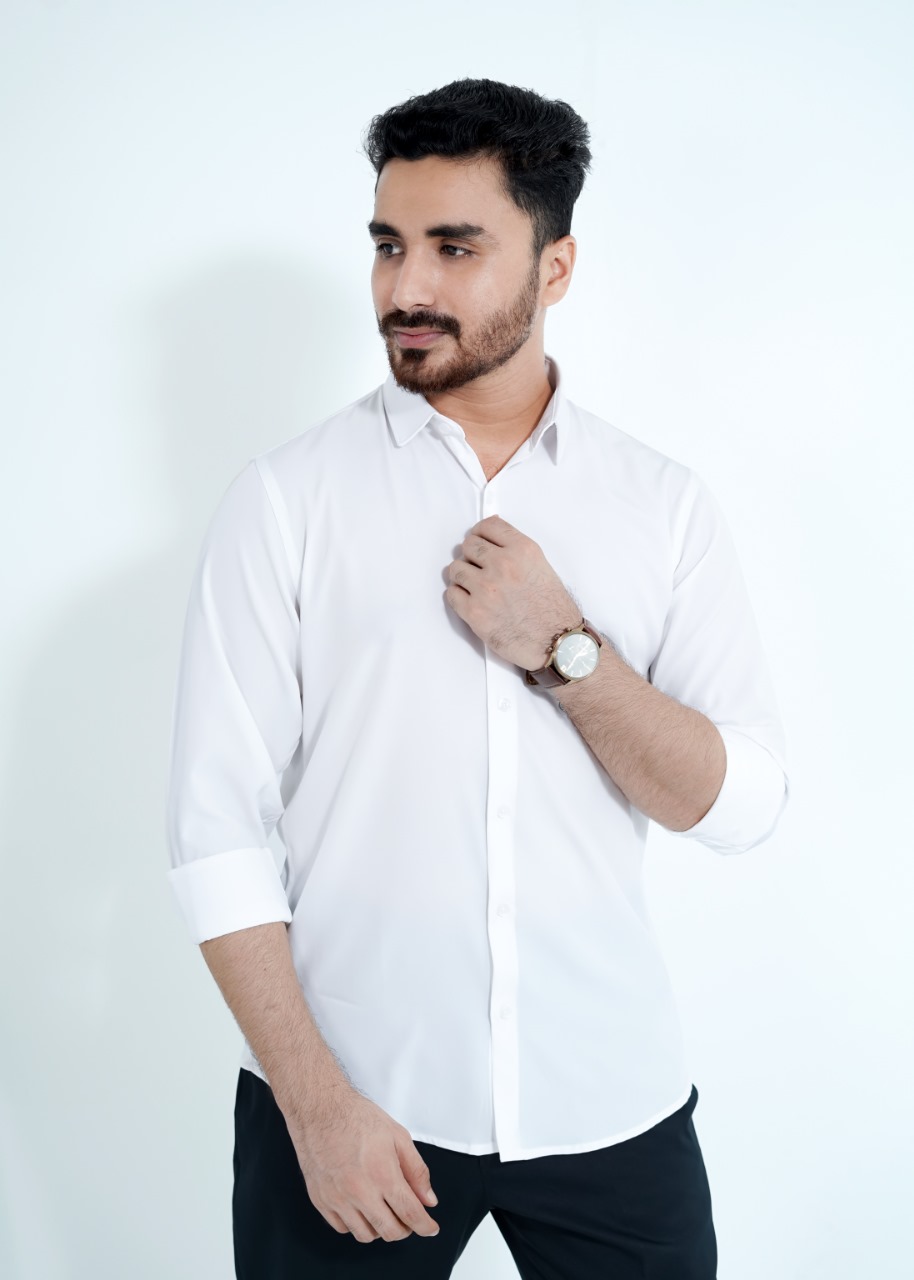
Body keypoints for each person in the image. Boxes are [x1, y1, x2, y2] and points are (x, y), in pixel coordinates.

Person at [165, 77, 789, 1279]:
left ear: (555, 268)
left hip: (607, 1099)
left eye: (454, 248)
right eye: (388, 245)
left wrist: (567, 651)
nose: (405, 287)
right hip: (354, 1107)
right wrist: (313, 1105)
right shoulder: (285, 501)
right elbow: (215, 833)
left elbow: (737, 804)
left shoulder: (660, 505)